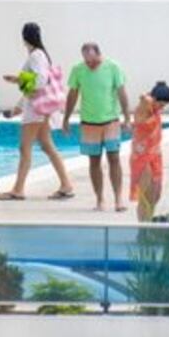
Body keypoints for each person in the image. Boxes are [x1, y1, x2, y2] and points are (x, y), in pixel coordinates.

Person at [0, 22, 74, 201]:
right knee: (47, 146)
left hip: (36, 110)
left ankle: (18, 189)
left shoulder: (36, 56)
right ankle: (66, 184)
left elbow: (39, 82)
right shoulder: (41, 54)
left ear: (24, 38)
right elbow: (35, 86)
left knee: (25, 148)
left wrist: (17, 79)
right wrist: (17, 108)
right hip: (39, 109)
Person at [63, 43, 133, 212]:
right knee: (94, 161)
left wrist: (127, 118)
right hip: (89, 123)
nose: (90, 65)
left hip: (111, 121)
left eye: (93, 62)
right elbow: (72, 95)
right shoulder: (78, 70)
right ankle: (100, 199)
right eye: (87, 62)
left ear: (99, 55)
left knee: (114, 159)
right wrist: (65, 118)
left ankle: (118, 199)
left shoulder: (113, 67)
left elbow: (122, 93)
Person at [129, 81, 169, 222]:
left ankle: (148, 221)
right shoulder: (143, 108)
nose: (162, 107)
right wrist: (149, 96)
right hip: (141, 156)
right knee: (145, 195)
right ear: (154, 99)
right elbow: (143, 97)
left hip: (155, 155)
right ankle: (143, 227)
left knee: (156, 195)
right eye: (161, 104)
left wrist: (164, 92)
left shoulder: (156, 106)